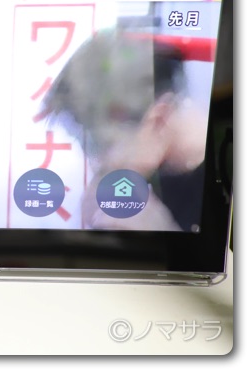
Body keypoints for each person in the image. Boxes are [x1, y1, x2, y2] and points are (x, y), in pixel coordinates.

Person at [41, 29, 209, 231]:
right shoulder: (154, 165)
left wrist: (163, 237)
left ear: (159, 120)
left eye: (104, 145)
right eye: (86, 145)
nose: (96, 163)